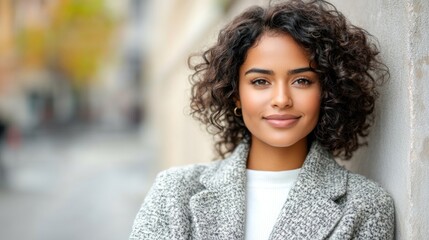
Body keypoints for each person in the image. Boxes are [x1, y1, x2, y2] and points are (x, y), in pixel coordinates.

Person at [130, 0, 394, 239]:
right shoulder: (174, 192)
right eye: (260, 81)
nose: (281, 99)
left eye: (302, 81)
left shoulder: (365, 206)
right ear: (235, 94)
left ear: (327, 91)